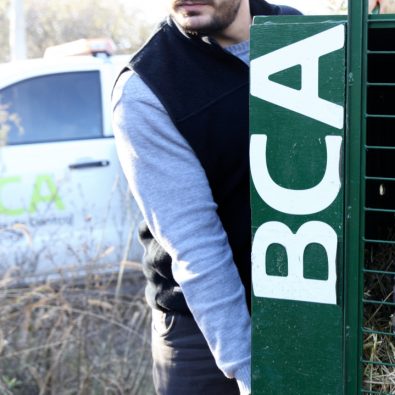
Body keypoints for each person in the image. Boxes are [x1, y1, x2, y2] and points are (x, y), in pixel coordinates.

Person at [112, 0, 300, 393]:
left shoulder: (303, 34)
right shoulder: (147, 88)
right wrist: (251, 373)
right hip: (201, 326)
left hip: (302, 300)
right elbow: (195, 246)